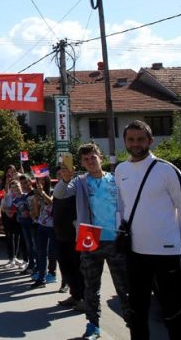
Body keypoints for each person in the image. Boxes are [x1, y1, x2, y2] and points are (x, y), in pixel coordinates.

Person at [115, 120, 181, 340]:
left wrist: (174, 239)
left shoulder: (167, 170)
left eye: (140, 139)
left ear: (150, 140)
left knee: (173, 310)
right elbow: (121, 207)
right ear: (125, 141)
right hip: (135, 252)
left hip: (166, 253)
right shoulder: (121, 170)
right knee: (137, 310)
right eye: (131, 139)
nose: (135, 144)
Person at [72, 143, 131, 340]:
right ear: (81, 163)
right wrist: (63, 177)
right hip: (90, 236)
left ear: (100, 157)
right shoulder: (80, 182)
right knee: (91, 286)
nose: (90, 162)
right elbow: (62, 192)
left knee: (124, 287)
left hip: (116, 238)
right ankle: (93, 326)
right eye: (86, 160)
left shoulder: (116, 180)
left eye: (93, 158)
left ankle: (133, 326)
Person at [52, 163, 86, 311]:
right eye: (60, 174)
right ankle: (75, 296)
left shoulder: (76, 187)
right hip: (61, 235)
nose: (62, 176)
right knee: (66, 268)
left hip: (76, 236)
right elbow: (58, 194)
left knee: (80, 268)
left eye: (65, 173)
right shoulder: (59, 189)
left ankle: (85, 299)